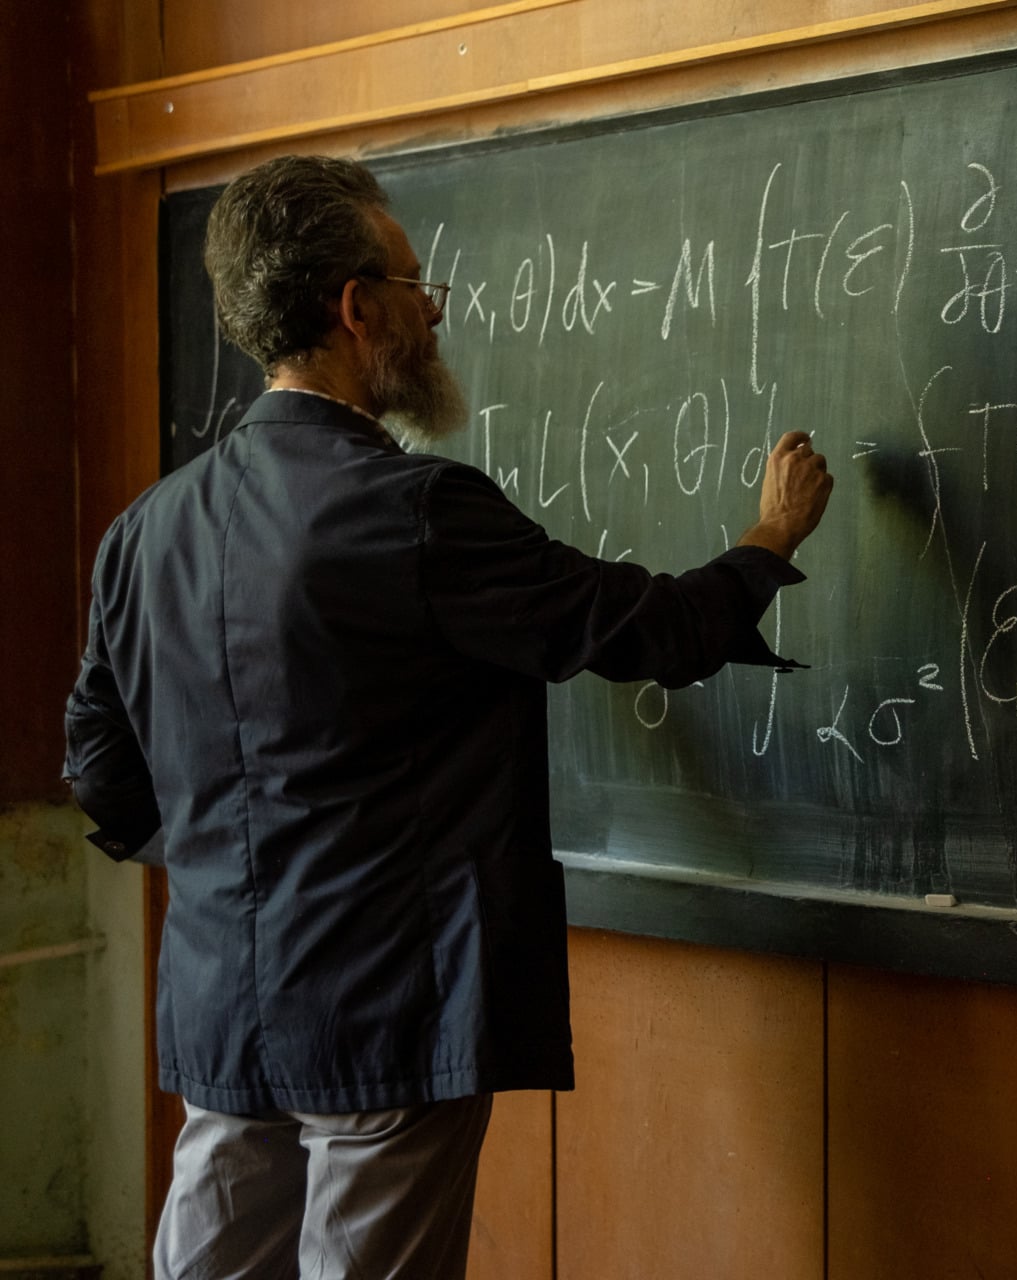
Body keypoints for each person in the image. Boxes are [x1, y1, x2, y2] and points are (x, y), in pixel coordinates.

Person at [62, 154, 833, 1277]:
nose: (432, 312)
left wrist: (230, 864)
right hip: (385, 1012)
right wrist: (769, 539)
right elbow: (647, 632)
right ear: (354, 307)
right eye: (415, 286)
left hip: (220, 1009)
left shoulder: (144, 532)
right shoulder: (416, 513)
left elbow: (100, 767)